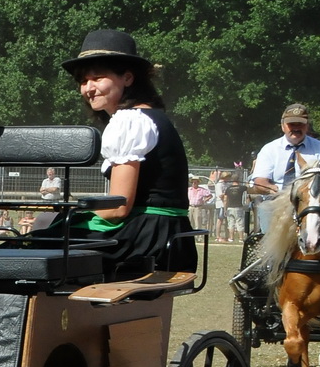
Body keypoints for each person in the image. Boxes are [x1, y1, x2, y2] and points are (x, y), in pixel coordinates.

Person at [20, 30, 196, 277]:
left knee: (22, 249)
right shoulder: (150, 117)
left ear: (127, 77)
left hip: (145, 239)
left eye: (98, 78)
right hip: (170, 234)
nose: (88, 88)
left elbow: (118, 208)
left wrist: (73, 213)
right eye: (83, 81)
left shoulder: (130, 121)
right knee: (42, 232)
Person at [250, 103, 320, 194]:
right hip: (276, 199)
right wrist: (271, 188)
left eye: (300, 124)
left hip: (312, 200)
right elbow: (260, 181)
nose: (296, 128)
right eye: (291, 124)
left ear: (307, 126)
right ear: (282, 126)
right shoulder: (269, 149)